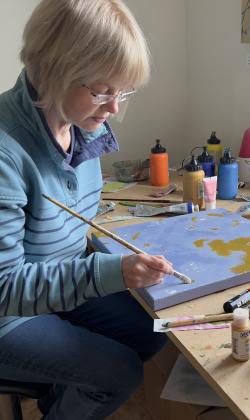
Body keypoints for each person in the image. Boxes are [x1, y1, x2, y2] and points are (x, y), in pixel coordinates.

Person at [0, 0, 174, 418]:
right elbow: (5, 289)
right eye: (101, 91)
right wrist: (111, 271)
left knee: (153, 330)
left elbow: (73, 230)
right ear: (51, 70)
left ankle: (60, 394)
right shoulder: (6, 152)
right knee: (119, 372)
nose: (114, 107)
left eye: (123, 91)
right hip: (8, 313)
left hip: (55, 283)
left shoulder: (83, 126)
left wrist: (112, 258)